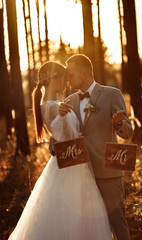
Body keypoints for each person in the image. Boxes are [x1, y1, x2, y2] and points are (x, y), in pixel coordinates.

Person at [8, 61, 112, 240]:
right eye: (65, 78)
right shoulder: (53, 107)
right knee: (75, 212)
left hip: (68, 162)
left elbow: (59, 135)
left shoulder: (49, 105)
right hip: (72, 165)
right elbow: (68, 136)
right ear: (55, 80)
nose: (67, 83)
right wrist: (65, 117)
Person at [54, 54, 133, 240]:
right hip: (80, 176)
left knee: (117, 222)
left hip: (108, 172)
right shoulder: (70, 100)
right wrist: (54, 146)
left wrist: (118, 124)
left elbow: (127, 132)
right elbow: (63, 130)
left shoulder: (112, 94)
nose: (67, 79)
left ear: (84, 73)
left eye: (71, 74)